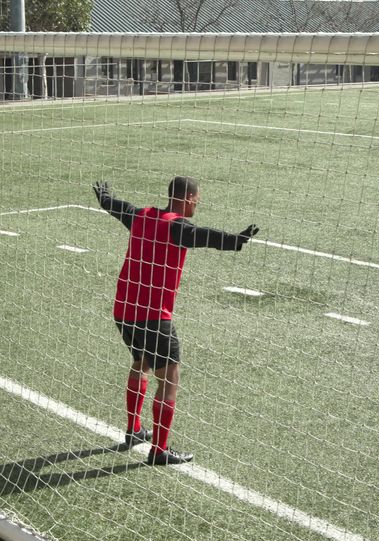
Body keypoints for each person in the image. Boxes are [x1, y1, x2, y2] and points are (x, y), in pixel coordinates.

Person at [93, 176, 259, 466]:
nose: (197, 204)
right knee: (169, 379)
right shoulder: (177, 228)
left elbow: (117, 207)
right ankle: (159, 450)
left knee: (141, 363)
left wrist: (105, 197)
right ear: (188, 198)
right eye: (197, 199)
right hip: (154, 317)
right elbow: (207, 236)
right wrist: (236, 240)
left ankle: (134, 430)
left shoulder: (140, 216)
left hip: (124, 311)